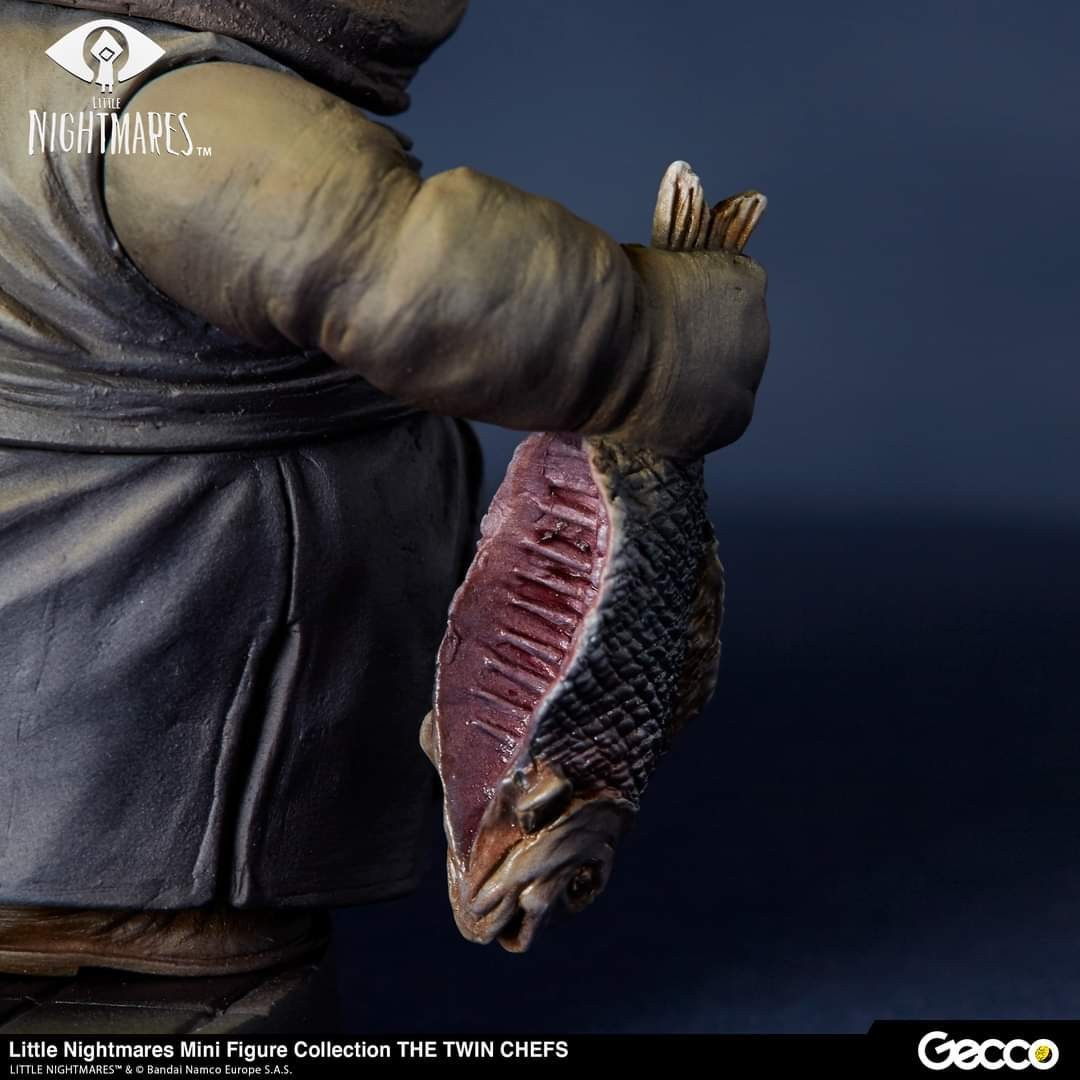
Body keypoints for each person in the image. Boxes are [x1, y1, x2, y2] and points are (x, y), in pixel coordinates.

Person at [0, 0, 769, 975]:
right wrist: (664, 336)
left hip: (63, 526)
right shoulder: (174, 113)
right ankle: (130, 918)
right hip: (171, 552)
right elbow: (419, 279)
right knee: (144, 774)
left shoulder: (43, 64)